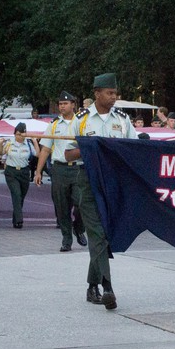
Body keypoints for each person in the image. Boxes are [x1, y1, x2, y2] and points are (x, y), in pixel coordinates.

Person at [64, 73, 139, 310]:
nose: (114, 97)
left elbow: (134, 148)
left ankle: (91, 285)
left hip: (114, 181)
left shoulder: (123, 119)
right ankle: (107, 287)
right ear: (97, 93)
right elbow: (68, 154)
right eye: (109, 93)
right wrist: (89, 147)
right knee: (97, 233)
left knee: (106, 234)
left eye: (115, 93)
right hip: (89, 180)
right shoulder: (82, 120)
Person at [34, 91, 87, 252]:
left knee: (83, 204)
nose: (62, 106)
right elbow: (45, 149)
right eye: (60, 104)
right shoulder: (54, 124)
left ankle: (78, 228)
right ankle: (66, 239)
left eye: (65, 103)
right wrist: (38, 172)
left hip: (78, 168)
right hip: (59, 169)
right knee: (62, 207)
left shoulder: (83, 123)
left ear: (73, 104)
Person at [0, 123, 40, 229]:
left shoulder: (28, 144)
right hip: (11, 172)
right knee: (16, 193)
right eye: (17, 134)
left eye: (21, 134)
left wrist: (35, 142)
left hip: (24, 172)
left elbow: (38, 154)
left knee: (21, 196)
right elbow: (1, 152)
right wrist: (0, 144)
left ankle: (15, 218)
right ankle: (19, 220)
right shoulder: (10, 143)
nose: (19, 136)